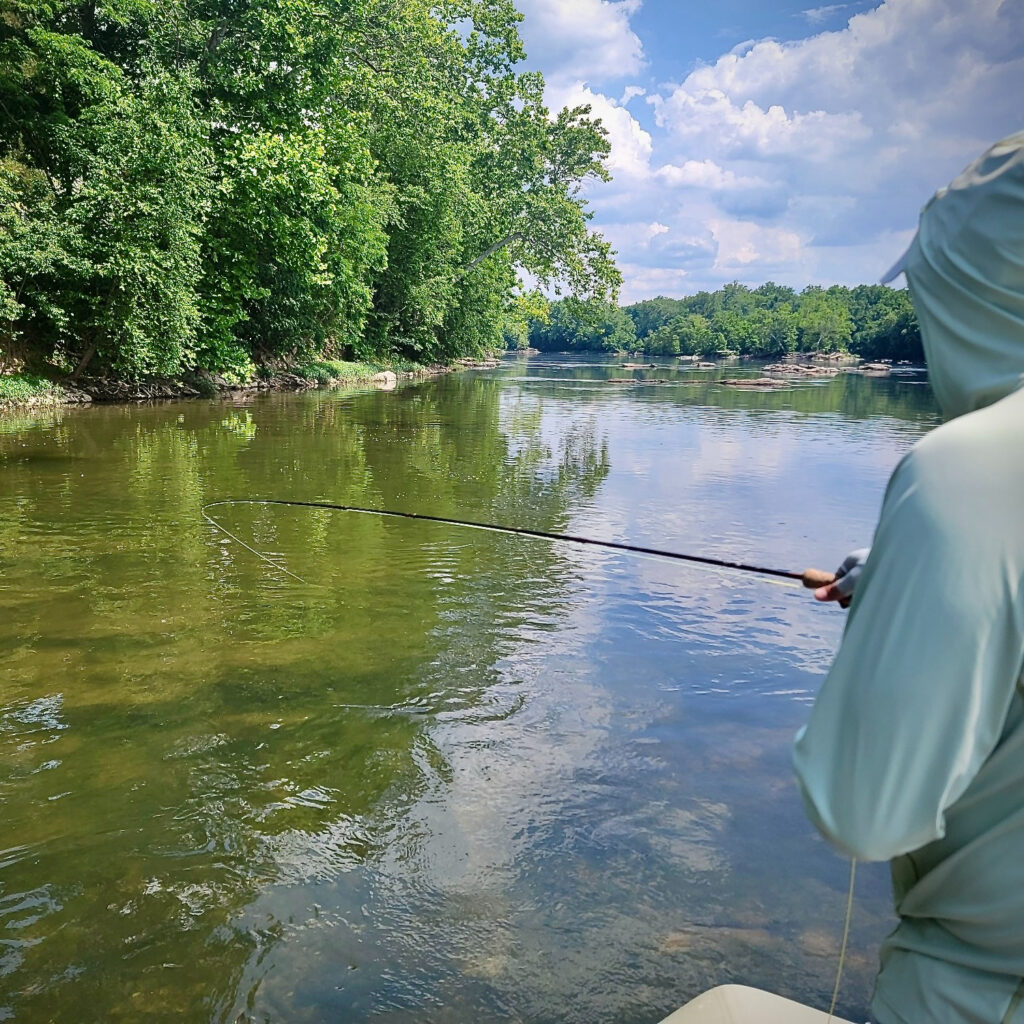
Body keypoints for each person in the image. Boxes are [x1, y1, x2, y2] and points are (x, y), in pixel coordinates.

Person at [793, 131, 1024, 1024]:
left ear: (973, 291)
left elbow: (866, 810)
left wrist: (888, 619)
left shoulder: (968, 469)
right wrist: (903, 578)